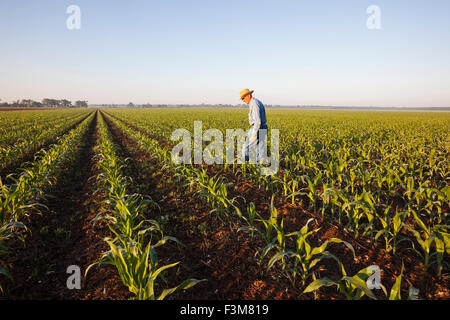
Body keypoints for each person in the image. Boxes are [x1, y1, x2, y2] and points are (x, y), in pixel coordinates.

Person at [240, 88, 268, 164]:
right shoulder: (257, 101)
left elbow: (257, 121)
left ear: (248, 95)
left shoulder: (254, 103)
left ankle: (244, 166)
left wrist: (254, 134)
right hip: (263, 127)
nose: (243, 100)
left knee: (246, 147)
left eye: (243, 98)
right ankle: (259, 167)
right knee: (260, 149)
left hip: (257, 127)